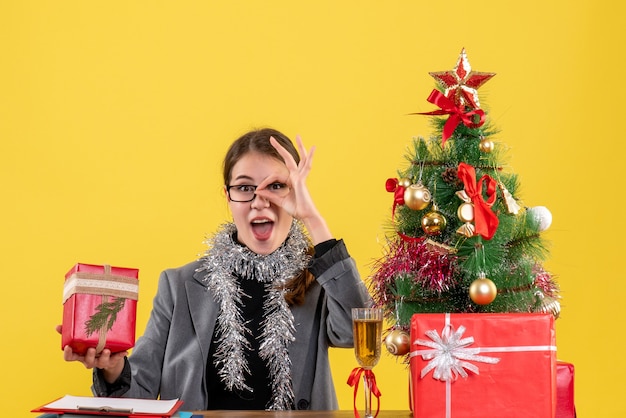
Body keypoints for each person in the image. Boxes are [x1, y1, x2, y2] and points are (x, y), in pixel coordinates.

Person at [57, 127, 373, 411]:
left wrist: (313, 220)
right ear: (228, 196)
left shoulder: (321, 281)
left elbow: (360, 334)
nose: (260, 201)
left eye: (276, 186)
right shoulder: (179, 285)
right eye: (245, 188)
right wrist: (112, 368)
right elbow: (138, 392)